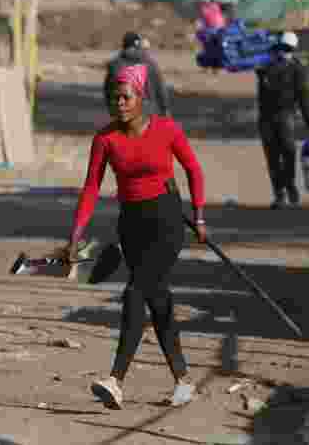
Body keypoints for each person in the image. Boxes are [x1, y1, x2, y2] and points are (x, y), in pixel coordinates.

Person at [63, 63, 207, 410]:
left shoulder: (167, 129)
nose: (120, 104)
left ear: (141, 97)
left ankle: (116, 379)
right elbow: (91, 187)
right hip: (132, 225)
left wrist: (200, 215)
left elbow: (193, 169)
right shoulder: (105, 139)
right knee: (157, 300)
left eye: (126, 97)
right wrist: (76, 233)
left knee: (135, 291)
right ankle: (184, 381)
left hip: (167, 221)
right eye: (114, 99)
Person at [255, 31, 309, 209]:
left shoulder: (293, 69)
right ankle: (281, 193)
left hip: (283, 117)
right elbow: (303, 99)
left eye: (287, 49)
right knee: (275, 157)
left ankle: (287, 188)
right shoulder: (268, 68)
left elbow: (304, 98)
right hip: (271, 118)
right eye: (282, 49)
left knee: (287, 154)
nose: (284, 52)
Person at [104, 32, 170, 116]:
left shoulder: (114, 65)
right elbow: (160, 88)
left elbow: (108, 90)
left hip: (123, 112)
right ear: (138, 45)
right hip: (147, 111)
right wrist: (165, 109)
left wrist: (111, 108)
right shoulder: (150, 63)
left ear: (124, 46)